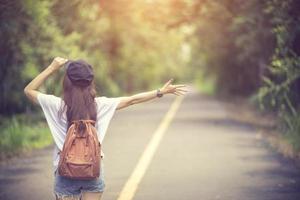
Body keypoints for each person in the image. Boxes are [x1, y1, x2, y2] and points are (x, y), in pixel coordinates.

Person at [24, 57, 187, 200]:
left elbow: (29, 90)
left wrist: (52, 67)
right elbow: (132, 100)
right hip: (93, 169)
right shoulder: (100, 105)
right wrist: (160, 92)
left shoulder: (56, 105)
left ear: (67, 81)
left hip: (65, 171)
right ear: (90, 82)